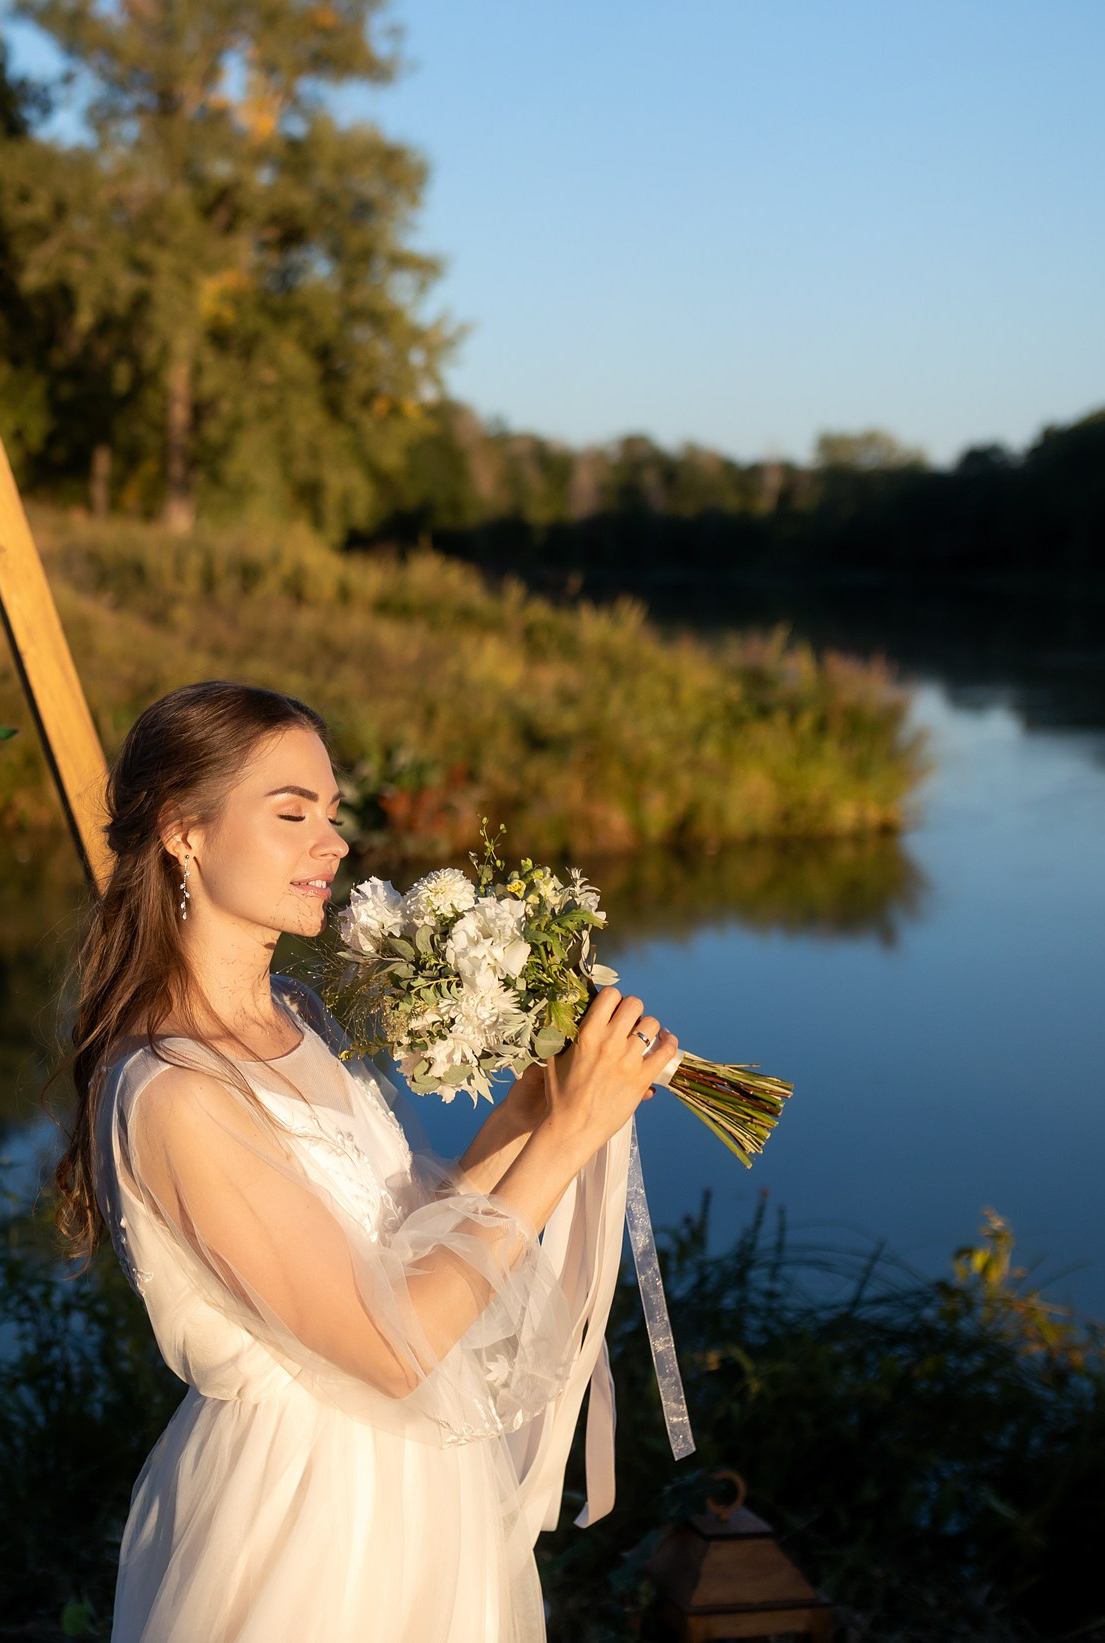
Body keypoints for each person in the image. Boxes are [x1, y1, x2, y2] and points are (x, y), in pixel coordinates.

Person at [55, 681, 673, 1643]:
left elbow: (410, 1255)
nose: (333, 844)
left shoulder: (294, 1013)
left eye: (332, 815)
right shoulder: (175, 1090)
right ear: (184, 831)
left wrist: (531, 1111)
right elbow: (391, 1351)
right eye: (292, 812)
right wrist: (567, 1141)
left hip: (421, 1485)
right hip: (316, 1515)